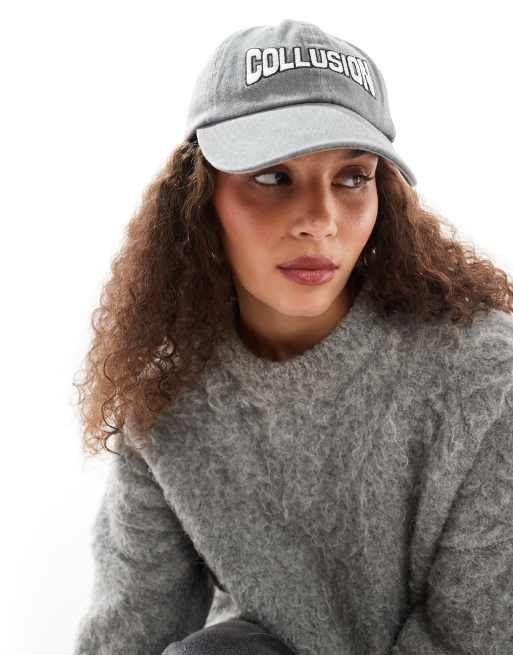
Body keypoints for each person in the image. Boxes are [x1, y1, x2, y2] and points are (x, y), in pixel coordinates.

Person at [71, 18, 513, 655]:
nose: (319, 220)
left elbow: (480, 637)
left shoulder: (485, 380)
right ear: (201, 197)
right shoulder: (168, 402)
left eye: (352, 178)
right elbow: (131, 627)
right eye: (273, 177)